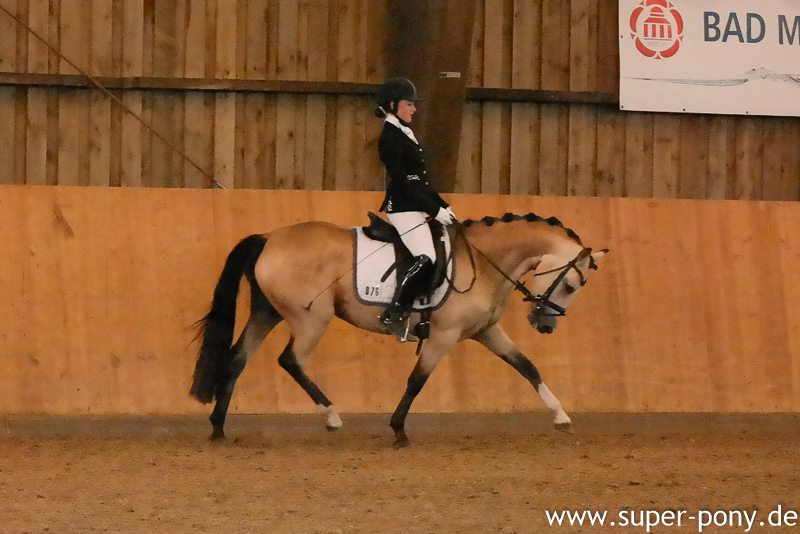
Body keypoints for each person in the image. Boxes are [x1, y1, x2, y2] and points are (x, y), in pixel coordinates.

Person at [373, 77, 457, 338]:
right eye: (409, 104)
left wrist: (442, 206)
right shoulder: (389, 137)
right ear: (393, 105)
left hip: (415, 204)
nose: (414, 108)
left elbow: (420, 180)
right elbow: (404, 182)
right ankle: (395, 312)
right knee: (427, 257)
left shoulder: (403, 132)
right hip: (402, 208)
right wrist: (434, 210)